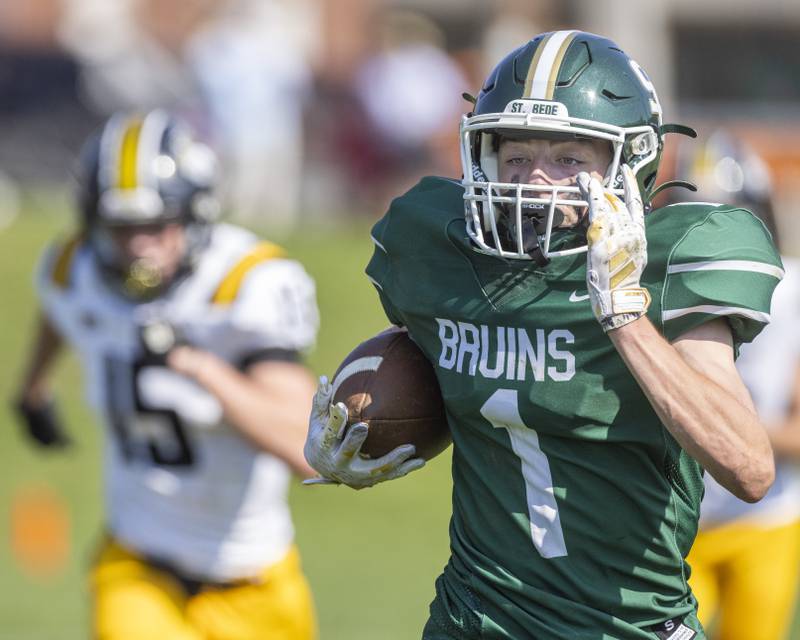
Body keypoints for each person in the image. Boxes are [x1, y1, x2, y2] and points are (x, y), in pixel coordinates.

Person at [303, 30, 782, 639]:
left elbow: (748, 468)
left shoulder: (672, 264)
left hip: (624, 626)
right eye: (517, 155)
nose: (534, 181)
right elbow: (437, 364)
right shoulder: (440, 249)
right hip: (472, 618)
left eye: (568, 159)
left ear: (628, 163)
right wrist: (352, 428)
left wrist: (626, 316)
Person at [14, 109, 319, 640]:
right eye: (121, 227)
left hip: (254, 579)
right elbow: (60, 307)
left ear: (196, 215)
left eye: (157, 226)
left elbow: (306, 449)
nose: (138, 247)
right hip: (137, 565)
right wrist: (33, 388)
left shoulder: (245, 283)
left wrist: (200, 366)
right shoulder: (75, 267)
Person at [680, 131, 800, 640]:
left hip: (765, 522)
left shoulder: (792, 295)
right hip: (678, 525)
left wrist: (723, 429)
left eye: (724, 221)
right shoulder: (650, 294)